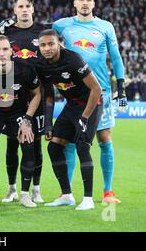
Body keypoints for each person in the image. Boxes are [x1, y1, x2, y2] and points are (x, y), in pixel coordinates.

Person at [52, 0, 126, 204]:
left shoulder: (105, 27)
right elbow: (40, 34)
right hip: (75, 94)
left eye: (88, 0)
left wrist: (120, 86)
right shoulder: (62, 25)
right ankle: (67, 193)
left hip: (100, 91)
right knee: (72, 141)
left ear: (94, 3)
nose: (85, 3)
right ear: (74, 2)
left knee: (104, 138)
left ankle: (108, 191)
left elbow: (116, 56)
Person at [35, 29, 102, 210]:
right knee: (54, 147)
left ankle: (88, 199)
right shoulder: (40, 64)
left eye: (51, 44)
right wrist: (48, 123)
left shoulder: (73, 59)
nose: (47, 48)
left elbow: (96, 89)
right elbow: (48, 94)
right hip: (72, 105)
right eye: (43, 45)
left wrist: (85, 119)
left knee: (82, 145)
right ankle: (66, 195)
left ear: (59, 44)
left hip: (91, 104)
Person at [0, 34, 42, 208]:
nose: (2, 53)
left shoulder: (25, 68)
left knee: (28, 143)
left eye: (5, 49)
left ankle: (25, 195)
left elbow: (36, 94)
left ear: (11, 51)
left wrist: (27, 120)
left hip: (17, 113)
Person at [0, 0, 50, 204]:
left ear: (33, 8)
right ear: (15, 10)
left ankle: (35, 189)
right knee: (11, 143)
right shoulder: (6, 31)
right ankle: (12, 188)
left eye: (27, 6)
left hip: (37, 92)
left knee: (34, 143)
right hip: (12, 91)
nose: (24, 10)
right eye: (20, 7)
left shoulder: (43, 32)